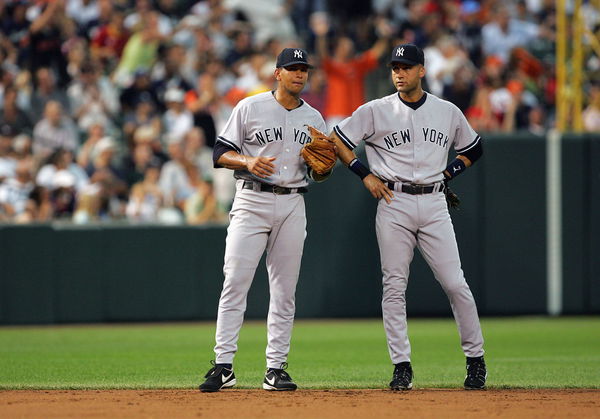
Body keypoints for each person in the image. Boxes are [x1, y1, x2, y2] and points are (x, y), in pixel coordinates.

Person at [329, 44, 486, 391]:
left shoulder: (446, 111)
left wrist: (449, 173)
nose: (399, 73)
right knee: (394, 287)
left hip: (434, 203)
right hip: (393, 200)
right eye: (395, 67)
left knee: (455, 283)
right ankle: (402, 366)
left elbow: (474, 147)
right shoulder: (374, 110)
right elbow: (337, 140)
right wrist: (363, 173)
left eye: (406, 67)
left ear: (421, 71)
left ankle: (476, 361)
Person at [199, 48, 329, 392]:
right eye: (292, 69)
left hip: (293, 203)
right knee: (235, 282)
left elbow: (318, 172)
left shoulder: (315, 117)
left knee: (285, 291)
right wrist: (246, 161)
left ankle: (276, 368)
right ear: (277, 73)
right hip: (252, 199)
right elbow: (219, 154)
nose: (299, 74)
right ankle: (223, 366)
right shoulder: (250, 106)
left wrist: (322, 169)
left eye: (304, 69)